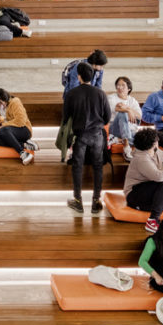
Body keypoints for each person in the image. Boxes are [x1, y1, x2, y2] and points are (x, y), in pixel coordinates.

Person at [63, 60, 111, 215]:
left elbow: (66, 118)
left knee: (77, 167)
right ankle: (96, 200)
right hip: (97, 135)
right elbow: (107, 117)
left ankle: (78, 200)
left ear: (79, 77)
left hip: (80, 136)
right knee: (98, 167)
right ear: (92, 76)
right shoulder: (100, 93)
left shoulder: (71, 94)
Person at [122, 127, 163, 232]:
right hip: (135, 195)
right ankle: (153, 220)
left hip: (152, 194)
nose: (158, 141)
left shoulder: (154, 150)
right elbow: (158, 176)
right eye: (156, 140)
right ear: (153, 144)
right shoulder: (141, 158)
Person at [55, 49, 110, 161]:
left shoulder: (99, 70)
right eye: (101, 66)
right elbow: (73, 89)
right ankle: (71, 150)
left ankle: (87, 152)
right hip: (75, 99)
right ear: (94, 64)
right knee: (75, 127)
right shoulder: (79, 68)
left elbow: (98, 86)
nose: (102, 68)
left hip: (89, 98)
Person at [0, 88, 35, 164]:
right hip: (8, 132)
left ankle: (23, 153)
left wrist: (3, 125)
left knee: (3, 130)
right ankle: (25, 144)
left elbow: (20, 121)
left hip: (24, 130)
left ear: (4, 98)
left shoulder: (15, 102)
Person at [107, 76, 142, 143]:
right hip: (115, 128)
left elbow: (139, 116)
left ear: (129, 89)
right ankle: (127, 142)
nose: (120, 87)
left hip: (130, 129)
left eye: (123, 85)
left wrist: (129, 109)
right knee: (122, 114)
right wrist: (128, 111)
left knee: (144, 138)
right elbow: (116, 108)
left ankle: (119, 140)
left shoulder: (132, 100)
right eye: (118, 85)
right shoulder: (111, 98)